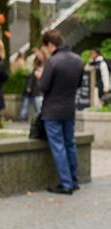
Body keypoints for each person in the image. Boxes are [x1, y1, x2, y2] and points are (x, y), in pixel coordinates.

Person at [37, 30, 83, 195]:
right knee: (70, 143)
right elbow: (79, 84)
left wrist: (40, 77)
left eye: (46, 47)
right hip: (69, 109)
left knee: (58, 146)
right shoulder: (77, 59)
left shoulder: (52, 61)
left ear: (50, 44)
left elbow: (43, 87)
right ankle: (74, 180)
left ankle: (66, 184)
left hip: (52, 111)